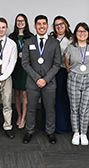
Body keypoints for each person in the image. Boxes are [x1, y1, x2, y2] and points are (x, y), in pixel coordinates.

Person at [22, 15, 60, 144]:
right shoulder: (28, 42)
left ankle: (50, 132)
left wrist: (46, 79)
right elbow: (25, 63)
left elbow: (57, 64)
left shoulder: (54, 43)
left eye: (44, 23)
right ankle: (29, 131)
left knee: (49, 108)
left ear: (47, 25)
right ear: (34, 26)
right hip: (32, 82)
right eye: (39, 24)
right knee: (31, 108)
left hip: (49, 83)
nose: (42, 26)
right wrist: (38, 78)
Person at [64, 22, 89, 146]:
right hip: (74, 79)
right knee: (74, 108)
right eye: (79, 31)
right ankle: (76, 132)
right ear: (75, 34)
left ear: (88, 33)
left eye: (84, 31)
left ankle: (83, 133)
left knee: (85, 108)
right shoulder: (70, 47)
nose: (82, 34)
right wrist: (76, 73)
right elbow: (67, 64)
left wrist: (88, 73)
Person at [46, 15, 73, 134]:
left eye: (61, 24)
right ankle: (49, 125)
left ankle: (62, 125)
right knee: (51, 99)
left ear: (66, 25)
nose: (59, 26)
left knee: (62, 99)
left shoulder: (71, 40)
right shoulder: (50, 39)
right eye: (57, 25)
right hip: (51, 72)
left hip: (64, 72)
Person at [8, 14, 34, 129]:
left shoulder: (31, 36)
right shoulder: (11, 37)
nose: (20, 23)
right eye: (18, 21)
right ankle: (18, 115)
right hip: (15, 67)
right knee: (16, 93)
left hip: (26, 68)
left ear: (26, 22)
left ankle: (24, 117)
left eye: (22, 21)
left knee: (25, 93)